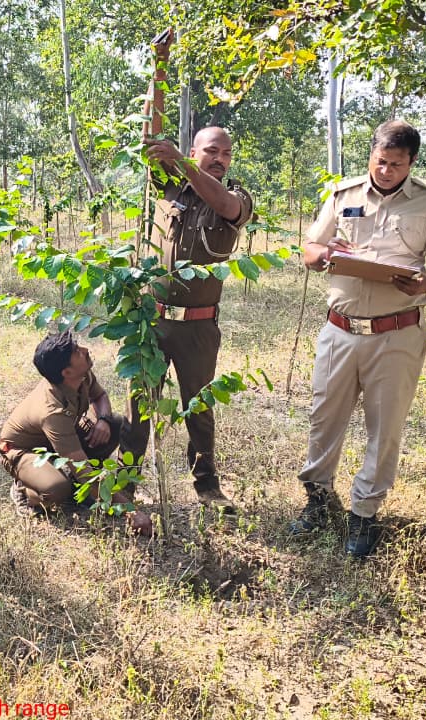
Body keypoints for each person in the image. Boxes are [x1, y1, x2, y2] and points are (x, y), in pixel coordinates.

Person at [289, 120, 426, 557]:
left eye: (397, 164)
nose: (386, 171)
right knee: (323, 418)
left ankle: (364, 514)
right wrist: (326, 255)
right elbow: (309, 249)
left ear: (412, 162)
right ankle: (318, 500)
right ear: (371, 155)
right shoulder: (344, 195)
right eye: (381, 161)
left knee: (384, 427)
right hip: (339, 330)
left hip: (396, 333)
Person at [119, 126, 253, 514]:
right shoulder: (169, 187)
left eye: (226, 154)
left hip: (198, 327)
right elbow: (152, 137)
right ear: (194, 152)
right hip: (153, 320)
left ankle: (207, 485)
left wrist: (180, 161)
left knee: (199, 406)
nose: (220, 159)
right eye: (212, 151)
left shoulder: (237, 198)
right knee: (139, 403)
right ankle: (126, 483)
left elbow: (225, 205)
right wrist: (159, 81)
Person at [0, 332, 151, 534]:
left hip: (58, 439)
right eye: (77, 352)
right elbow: (83, 470)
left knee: (114, 424)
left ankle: (80, 486)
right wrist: (131, 511)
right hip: (22, 450)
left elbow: (100, 396)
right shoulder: (52, 411)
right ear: (66, 372)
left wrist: (103, 420)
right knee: (57, 488)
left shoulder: (81, 375)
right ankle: (25, 491)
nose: (85, 350)